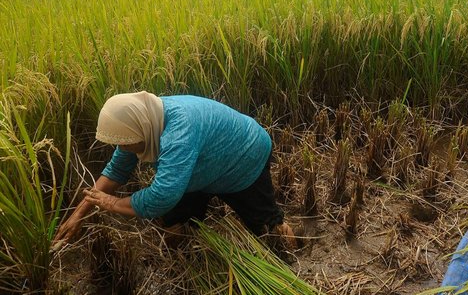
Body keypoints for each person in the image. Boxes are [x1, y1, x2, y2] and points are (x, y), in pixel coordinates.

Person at [54, 92, 296, 248]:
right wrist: (79, 213)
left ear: (142, 129)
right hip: (196, 169)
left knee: (266, 228)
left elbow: (161, 197)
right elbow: (116, 171)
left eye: (125, 143)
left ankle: (294, 258)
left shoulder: (178, 132)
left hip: (242, 158)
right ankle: (186, 264)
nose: (122, 148)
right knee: (176, 225)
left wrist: (110, 203)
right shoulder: (143, 123)